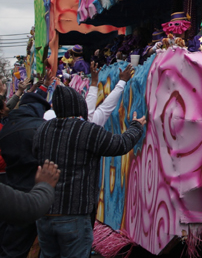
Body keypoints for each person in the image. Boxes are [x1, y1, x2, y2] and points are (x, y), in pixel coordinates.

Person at [32, 85, 145, 258]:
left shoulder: (43, 130)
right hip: (74, 213)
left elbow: (35, 154)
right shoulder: (85, 129)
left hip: (44, 212)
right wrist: (136, 127)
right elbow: (119, 145)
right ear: (79, 106)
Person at [0, 86, 52, 258]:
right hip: (36, 194)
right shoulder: (42, 128)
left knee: (13, 247)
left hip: (12, 187)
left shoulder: (7, 128)